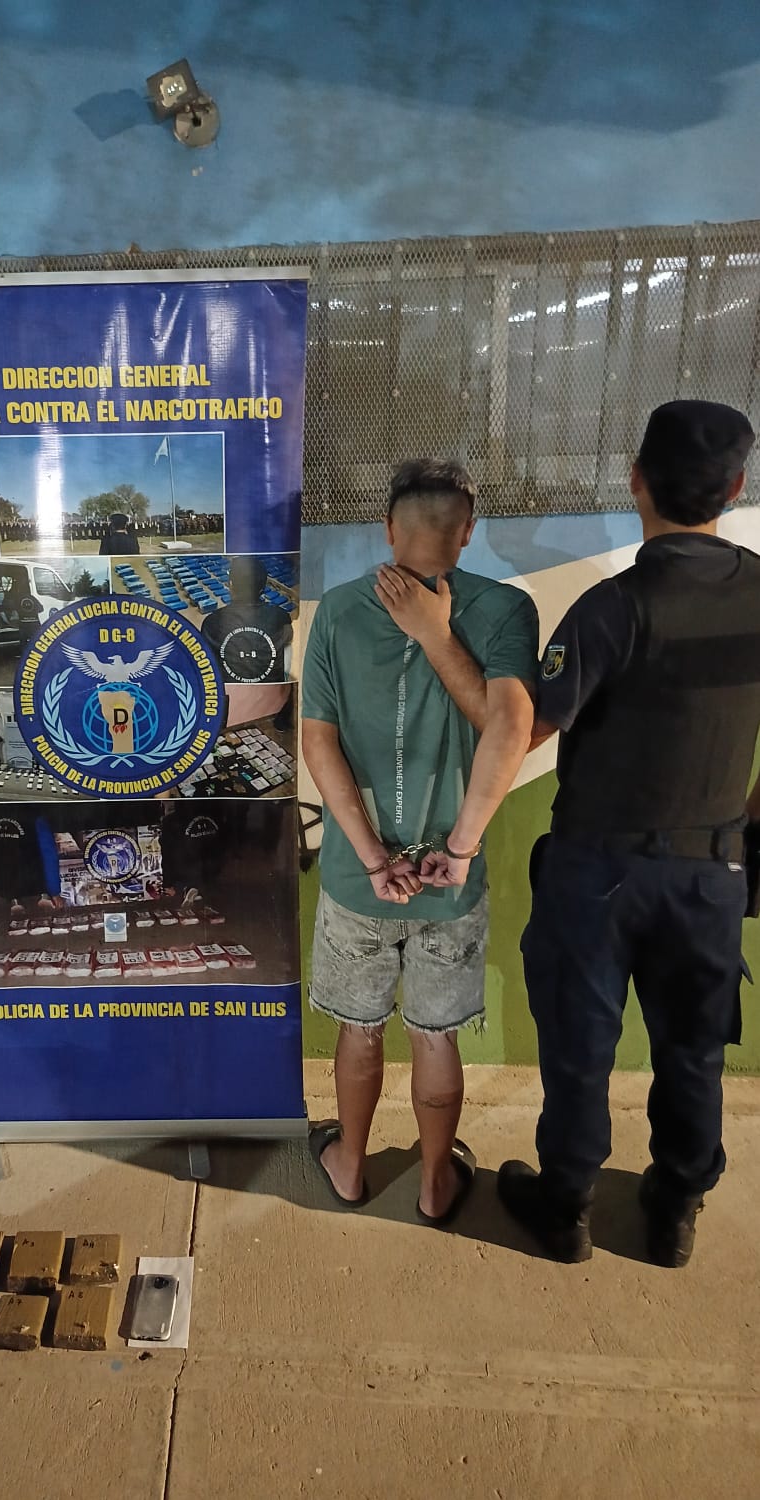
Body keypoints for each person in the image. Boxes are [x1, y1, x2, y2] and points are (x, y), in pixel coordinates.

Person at [498, 400, 760, 1268]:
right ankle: (674, 1208)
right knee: (692, 1049)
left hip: (595, 873)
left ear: (634, 479)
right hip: (710, 871)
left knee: (580, 1049)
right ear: (735, 486)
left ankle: (565, 1205)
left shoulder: (612, 608)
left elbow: (527, 730)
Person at [302, 458, 537, 1221]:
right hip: (447, 881)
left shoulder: (338, 611)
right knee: (436, 1039)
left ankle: (348, 1167)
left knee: (358, 1028)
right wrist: (458, 850)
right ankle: (436, 1184)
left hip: (356, 876)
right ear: (467, 531)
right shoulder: (504, 610)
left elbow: (317, 743)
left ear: (387, 528)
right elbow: (509, 731)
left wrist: (373, 857)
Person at [201, 555, 294, 683]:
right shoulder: (281, 617)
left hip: (228, 694)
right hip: (272, 694)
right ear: (263, 588)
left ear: (231, 584)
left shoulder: (211, 623)